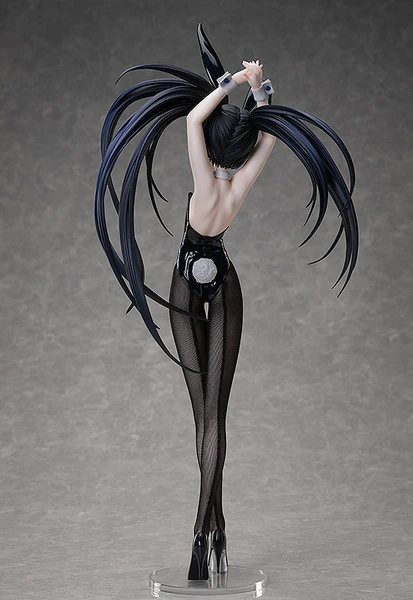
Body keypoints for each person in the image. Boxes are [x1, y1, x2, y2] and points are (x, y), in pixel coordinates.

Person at [95, 24, 358, 581]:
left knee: (203, 415)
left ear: (212, 149)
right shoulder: (236, 188)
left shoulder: (205, 178)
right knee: (218, 413)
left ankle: (202, 535)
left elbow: (193, 120)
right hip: (225, 282)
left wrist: (234, 81)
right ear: (234, 153)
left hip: (186, 281)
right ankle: (211, 529)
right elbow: (270, 137)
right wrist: (262, 92)